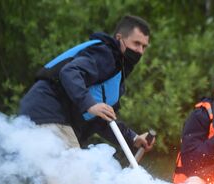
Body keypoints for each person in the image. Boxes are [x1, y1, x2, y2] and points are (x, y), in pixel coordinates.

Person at [19, 15, 155, 157]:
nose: (140, 51)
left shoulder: (116, 73)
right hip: (49, 114)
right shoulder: (105, 54)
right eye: (136, 43)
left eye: (144, 46)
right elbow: (70, 72)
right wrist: (90, 104)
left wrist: (133, 138)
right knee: (74, 178)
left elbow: (101, 120)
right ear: (119, 38)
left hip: (39, 117)